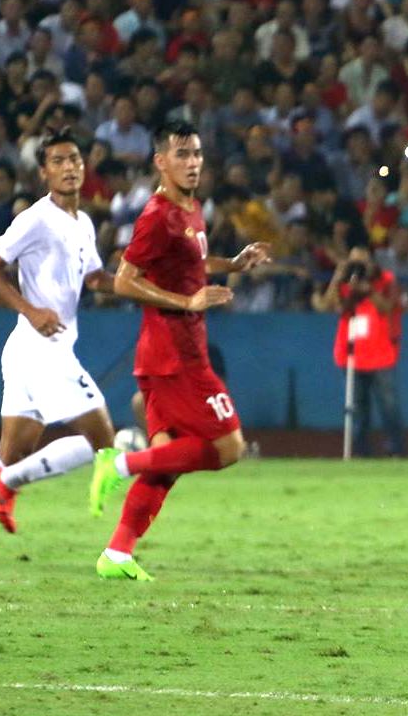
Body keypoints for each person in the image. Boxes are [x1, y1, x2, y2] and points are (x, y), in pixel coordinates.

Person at [83, 120, 271, 581]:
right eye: (183, 154)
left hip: (172, 353)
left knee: (169, 462)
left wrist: (233, 264)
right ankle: (120, 462)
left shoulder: (191, 209)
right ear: (160, 161)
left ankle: (118, 553)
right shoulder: (156, 214)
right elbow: (124, 281)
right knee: (229, 447)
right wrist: (186, 301)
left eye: (197, 154)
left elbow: (190, 261)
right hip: (175, 355)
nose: (193, 163)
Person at [0, 132, 117, 567]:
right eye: (59, 161)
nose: (70, 167)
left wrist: (141, 282)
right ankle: (8, 484)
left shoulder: (83, 223)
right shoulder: (37, 218)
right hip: (40, 348)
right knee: (103, 441)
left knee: (12, 451)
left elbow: (96, 279)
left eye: (75, 158)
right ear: (44, 172)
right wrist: (31, 309)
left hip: (28, 350)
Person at [316, 247, 405, 456]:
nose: (358, 267)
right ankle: (360, 452)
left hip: (381, 354)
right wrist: (338, 276)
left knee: (389, 407)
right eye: (353, 262)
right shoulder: (345, 282)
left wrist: (368, 289)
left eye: (362, 262)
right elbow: (327, 306)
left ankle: (396, 451)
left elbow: (386, 307)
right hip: (352, 355)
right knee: (357, 410)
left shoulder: (386, 279)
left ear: (372, 262)